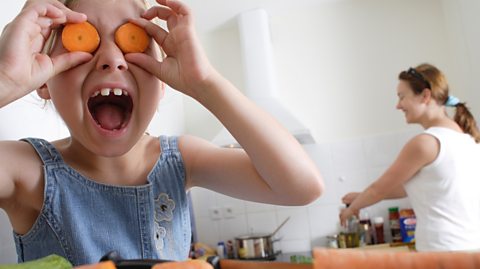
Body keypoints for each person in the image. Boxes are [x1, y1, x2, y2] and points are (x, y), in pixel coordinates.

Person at [0, 0, 324, 265]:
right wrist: (5, 80)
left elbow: (300, 186)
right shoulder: (25, 170)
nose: (113, 59)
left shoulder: (181, 159)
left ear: (162, 81)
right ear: (43, 80)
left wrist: (205, 83)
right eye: (82, 37)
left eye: (132, 40)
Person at [339, 63, 480, 252]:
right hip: (470, 248)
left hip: (443, 251)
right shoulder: (468, 140)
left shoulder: (426, 142)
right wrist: (360, 196)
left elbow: (378, 189)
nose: (398, 105)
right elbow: (409, 187)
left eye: (402, 97)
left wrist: (351, 209)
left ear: (425, 96)